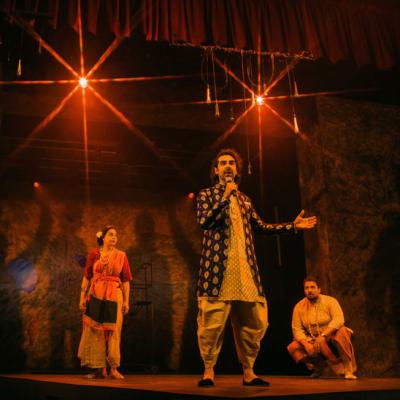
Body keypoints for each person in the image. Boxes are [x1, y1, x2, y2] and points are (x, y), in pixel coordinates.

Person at [196, 148, 317, 387]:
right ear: (216, 170)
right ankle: (208, 371)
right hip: (217, 273)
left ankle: (249, 372)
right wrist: (224, 198)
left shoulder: (245, 200)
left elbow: (261, 227)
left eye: (231, 163)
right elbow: (204, 221)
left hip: (245, 272)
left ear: (237, 170)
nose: (227, 166)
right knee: (211, 325)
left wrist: (291, 226)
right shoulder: (207, 195)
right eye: (223, 163)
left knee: (254, 325)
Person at [78, 225, 132, 379]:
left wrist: (127, 301)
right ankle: (99, 368)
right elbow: (86, 277)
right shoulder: (94, 254)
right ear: (103, 237)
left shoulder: (121, 256)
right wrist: (82, 297)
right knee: (95, 330)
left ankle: (113, 368)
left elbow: (126, 280)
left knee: (114, 330)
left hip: (114, 295)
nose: (114, 237)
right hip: (96, 294)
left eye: (116, 235)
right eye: (111, 234)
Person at [287, 276, 357, 379]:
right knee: (293, 347)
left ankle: (348, 369)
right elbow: (296, 329)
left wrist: (324, 336)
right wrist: (306, 344)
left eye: (312, 287)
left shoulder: (330, 301)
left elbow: (339, 319)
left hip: (331, 335)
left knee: (342, 331)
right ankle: (319, 366)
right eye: (306, 288)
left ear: (319, 289)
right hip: (313, 339)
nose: (309, 290)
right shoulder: (299, 306)